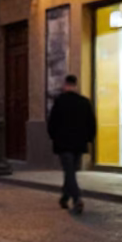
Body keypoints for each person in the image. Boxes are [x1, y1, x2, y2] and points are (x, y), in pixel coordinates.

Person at [47, 73, 97, 214]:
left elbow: (52, 124)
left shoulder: (59, 102)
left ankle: (77, 199)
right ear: (76, 85)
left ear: (65, 85)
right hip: (79, 144)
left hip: (63, 144)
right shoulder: (85, 102)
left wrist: (54, 137)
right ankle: (64, 197)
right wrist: (88, 139)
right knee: (71, 172)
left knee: (69, 172)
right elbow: (92, 124)